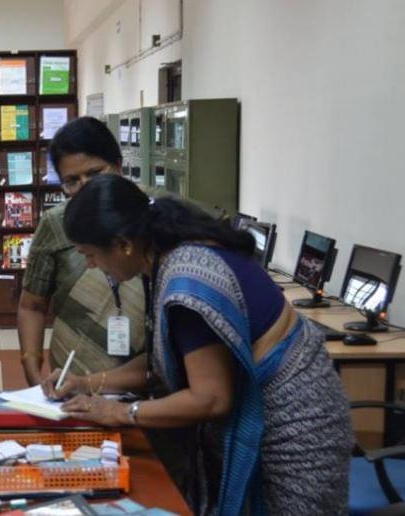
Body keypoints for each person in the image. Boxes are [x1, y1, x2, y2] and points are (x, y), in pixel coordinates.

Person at [44, 174, 353, 515]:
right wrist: (87, 383)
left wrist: (121, 412)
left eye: (90, 254)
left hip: (294, 425)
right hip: (270, 409)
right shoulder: (163, 256)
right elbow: (166, 360)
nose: (90, 265)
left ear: (123, 244)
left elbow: (211, 399)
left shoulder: (186, 282)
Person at [18, 117, 146, 386]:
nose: (86, 187)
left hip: (145, 377)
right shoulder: (55, 224)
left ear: (119, 165)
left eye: (96, 173)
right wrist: (32, 367)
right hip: (72, 377)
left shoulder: (146, 212)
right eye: (72, 181)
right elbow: (32, 304)